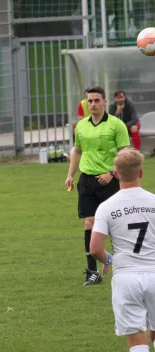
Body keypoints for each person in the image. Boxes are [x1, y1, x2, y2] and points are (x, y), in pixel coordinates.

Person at [90, 149, 155, 352]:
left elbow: (95, 248)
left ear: (116, 174)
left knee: (137, 341)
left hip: (126, 277)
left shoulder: (107, 207)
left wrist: (108, 259)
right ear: (141, 172)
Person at [65, 86, 130, 286]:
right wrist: (70, 174)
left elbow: (125, 152)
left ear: (104, 102)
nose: (92, 104)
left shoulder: (116, 125)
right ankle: (92, 272)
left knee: (116, 224)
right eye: (89, 101)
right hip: (87, 181)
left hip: (110, 181)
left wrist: (112, 173)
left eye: (96, 100)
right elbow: (76, 150)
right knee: (89, 223)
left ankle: (123, 264)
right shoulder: (81, 126)